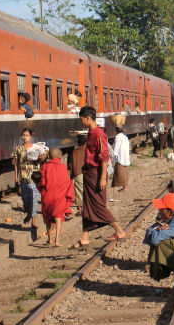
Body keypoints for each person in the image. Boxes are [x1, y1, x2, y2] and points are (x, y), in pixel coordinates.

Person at [70, 106, 126, 249]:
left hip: (96, 174)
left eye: (81, 119)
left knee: (97, 205)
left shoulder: (98, 134)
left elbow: (104, 157)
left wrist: (102, 178)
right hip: (89, 173)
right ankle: (85, 237)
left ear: (87, 118)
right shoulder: (91, 132)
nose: (80, 122)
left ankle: (119, 230)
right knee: (88, 207)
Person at [36, 148, 74, 247]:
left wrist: (39, 186)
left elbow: (42, 182)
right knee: (58, 216)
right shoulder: (63, 167)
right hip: (59, 196)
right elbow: (67, 181)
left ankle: (49, 240)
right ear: (60, 157)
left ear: (48, 157)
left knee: (48, 218)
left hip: (47, 196)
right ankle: (57, 239)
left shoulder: (44, 166)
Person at [12, 128, 45, 228]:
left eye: (26, 135)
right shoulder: (18, 149)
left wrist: (39, 157)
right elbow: (15, 164)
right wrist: (16, 178)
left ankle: (33, 221)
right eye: (23, 135)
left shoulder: (36, 148)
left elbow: (41, 160)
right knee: (25, 200)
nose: (24, 137)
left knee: (34, 199)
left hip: (33, 177)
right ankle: (29, 214)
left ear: (31, 137)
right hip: (23, 178)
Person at [69, 134, 86, 216]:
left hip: (78, 174)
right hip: (88, 173)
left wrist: (72, 175)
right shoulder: (88, 151)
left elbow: (72, 164)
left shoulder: (75, 152)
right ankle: (88, 209)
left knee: (79, 192)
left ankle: (80, 211)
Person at [112, 126, 130, 192]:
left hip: (120, 157)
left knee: (121, 172)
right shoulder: (125, 137)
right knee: (125, 172)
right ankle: (126, 186)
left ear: (116, 130)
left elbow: (116, 148)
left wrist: (113, 156)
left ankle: (125, 187)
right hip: (126, 157)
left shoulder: (118, 137)